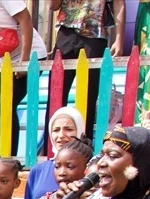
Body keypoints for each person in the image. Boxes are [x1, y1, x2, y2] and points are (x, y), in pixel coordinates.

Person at [0, 0, 47, 156]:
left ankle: (10, 159)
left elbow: (25, 19)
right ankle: (0, 156)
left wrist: (25, 61)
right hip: (2, 59)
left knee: (5, 104)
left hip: (29, 55)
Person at [52, 0, 125, 141]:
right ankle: (52, 144)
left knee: (88, 96)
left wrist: (119, 39)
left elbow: (118, 4)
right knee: (57, 93)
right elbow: (53, 6)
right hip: (67, 31)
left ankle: (84, 144)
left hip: (95, 34)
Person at [23, 107, 86, 199]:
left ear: (80, 131)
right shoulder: (37, 171)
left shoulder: (89, 169)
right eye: (56, 130)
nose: (61, 135)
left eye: (68, 129)